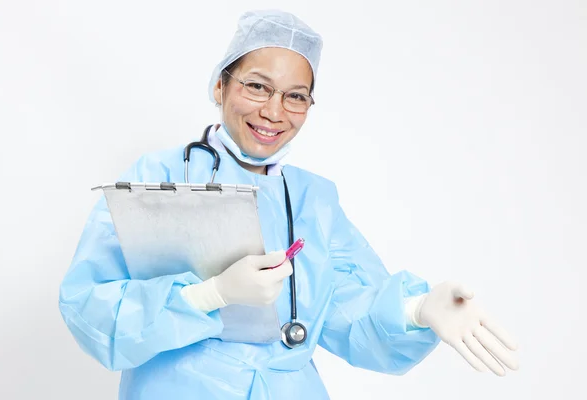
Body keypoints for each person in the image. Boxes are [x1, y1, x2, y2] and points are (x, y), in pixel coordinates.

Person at [58, 9, 519, 400]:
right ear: (220, 86)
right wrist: (207, 296)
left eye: (296, 96)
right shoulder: (158, 177)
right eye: (257, 87)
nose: (274, 112)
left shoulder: (314, 200)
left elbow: (350, 314)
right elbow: (89, 306)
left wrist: (415, 311)